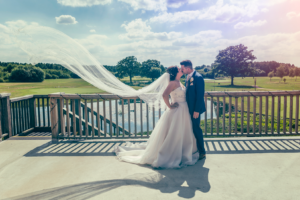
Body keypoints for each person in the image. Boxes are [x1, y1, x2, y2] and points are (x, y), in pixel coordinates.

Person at [114, 66, 199, 168]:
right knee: (175, 133)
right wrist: (170, 106)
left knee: (183, 131)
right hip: (177, 111)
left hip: (184, 110)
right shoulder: (172, 83)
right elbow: (164, 95)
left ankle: (183, 152)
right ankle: (171, 154)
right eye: (179, 69)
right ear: (176, 72)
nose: (181, 69)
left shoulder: (180, 82)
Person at [180, 60, 206, 160]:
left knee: (196, 128)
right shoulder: (188, 76)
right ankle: (191, 149)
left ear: (188, 68)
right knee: (190, 128)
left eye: (182, 68)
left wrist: (196, 110)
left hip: (195, 109)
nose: (182, 70)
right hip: (188, 108)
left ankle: (202, 152)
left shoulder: (198, 77)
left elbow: (200, 96)